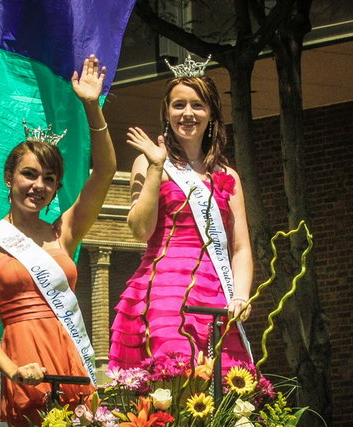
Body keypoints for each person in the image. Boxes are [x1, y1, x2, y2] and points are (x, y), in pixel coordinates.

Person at [0, 55, 115, 427]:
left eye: (49, 179)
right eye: (29, 174)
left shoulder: (63, 231)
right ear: (9, 177)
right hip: (25, 360)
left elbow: (107, 170)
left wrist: (91, 106)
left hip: (70, 351)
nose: (38, 186)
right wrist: (12, 369)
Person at [108, 55, 253, 370]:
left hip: (218, 293)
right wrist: (157, 166)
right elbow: (139, 230)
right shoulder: (149, 163)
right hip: (165, 291)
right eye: (178, 105)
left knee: (226, 385)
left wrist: (240, 296)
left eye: (197, 105)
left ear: (211, 113)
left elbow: (240, 248)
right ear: (166, 112)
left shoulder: (228, 176)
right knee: (172, 376)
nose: (188, 113)